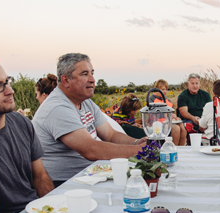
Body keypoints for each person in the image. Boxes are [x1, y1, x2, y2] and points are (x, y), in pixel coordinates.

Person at [33, 53, 146, 186]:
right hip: (66, 184)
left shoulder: (85, 102)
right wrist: (140, 151)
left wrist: (137, 142)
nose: (92, 79)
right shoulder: (57, 107)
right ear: (65, 80)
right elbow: (91, 150)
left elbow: (110, 135)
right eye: (84, 74)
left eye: (92, 73)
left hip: (91, 175)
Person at [0, 53, 55, 213]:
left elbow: (40, 176)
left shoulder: (21, 122)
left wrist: (55, 211)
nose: (11, 90)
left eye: (8, 82)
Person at [150, 79, 187, 145]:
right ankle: (173, 149)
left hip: (168, 123)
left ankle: (181, 149)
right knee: (176, 128)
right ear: (156, 89)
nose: (165, 91)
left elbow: (173, 113)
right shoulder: (152, 99)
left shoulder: (168, 101)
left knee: (182, 126)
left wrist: (175, 117)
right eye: (162, 89)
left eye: (166, 89)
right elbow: (152, 114)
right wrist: (167, 115)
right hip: (158, 124)